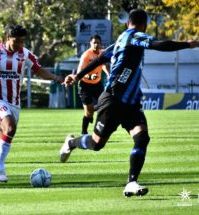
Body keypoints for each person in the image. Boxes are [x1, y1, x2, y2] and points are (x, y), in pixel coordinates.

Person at [59, 9, 199, 197]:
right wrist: (189, 44)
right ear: (144, 25)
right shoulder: (135, 36)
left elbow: (100, 59)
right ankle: (72, 142)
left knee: (142, 138)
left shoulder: (119, 41)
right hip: (113, 100)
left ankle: (131, 182)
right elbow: (159, 44)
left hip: (130, 103)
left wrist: (77, 76)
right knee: (96, 143)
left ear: (127, 23)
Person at [0, 25, 62, 183]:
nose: (20, 45)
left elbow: (39, 70)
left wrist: (58, 79)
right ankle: (0, 169)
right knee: (10, 127)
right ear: (7, 38)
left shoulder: (25, 54)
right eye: (17, 41)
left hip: (14, 103)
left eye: (22, 41)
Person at [76, 35, 109, 135]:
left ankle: (99, 132)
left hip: (97, 85)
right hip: (85, 86)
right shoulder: (86, 55)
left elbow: (104, 66)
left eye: (98, 43)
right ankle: (84, 131)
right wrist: (86, 76)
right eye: (94, 42)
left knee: (105, 104)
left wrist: (109, 75)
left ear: (100, 44)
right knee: (89, 112)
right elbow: (80, 71)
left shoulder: (102, 53)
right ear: (90, 44)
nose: (96, 45)